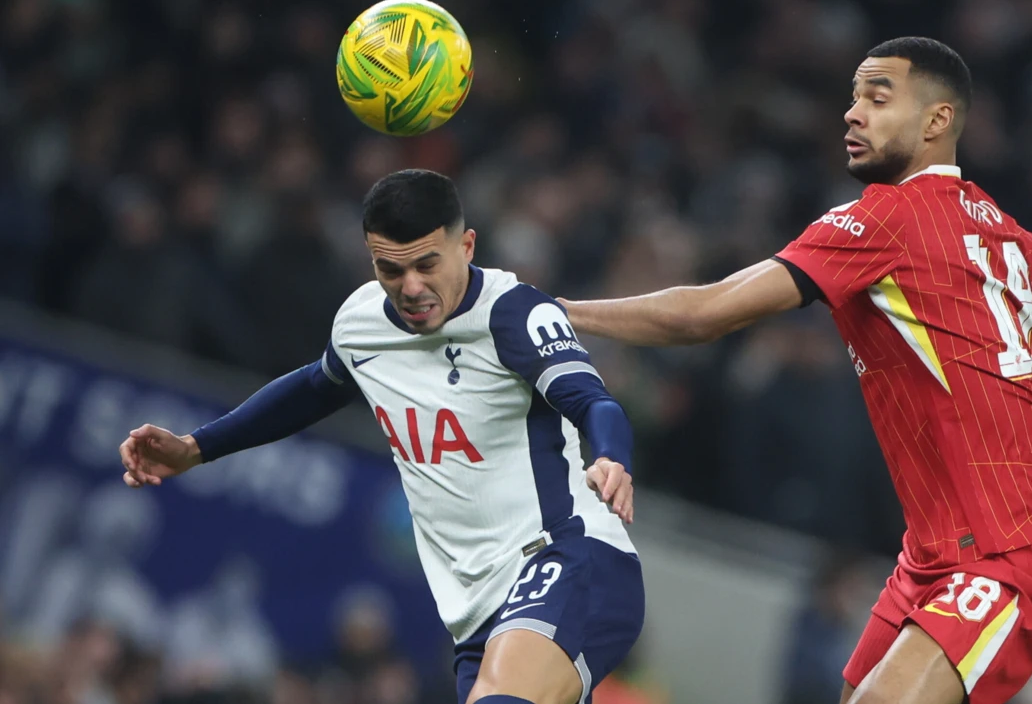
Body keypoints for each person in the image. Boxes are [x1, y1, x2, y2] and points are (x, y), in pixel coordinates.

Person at [560, 37, 1032, 704]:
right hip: (931, 558)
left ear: (936, 121)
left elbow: (704, 314)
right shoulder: (995, 226)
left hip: (1004, 554)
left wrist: (557, 310)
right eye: (854, 97)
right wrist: (1010, 376)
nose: (852, 114)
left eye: (877, 97)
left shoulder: (883, 219)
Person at [118, 169, 645, 704]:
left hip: (568, 558)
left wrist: (611, 457)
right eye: (390, 269)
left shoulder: (514, 313)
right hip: (476, 613)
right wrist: (196, 448)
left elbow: (594, 401)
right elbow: (312, 389)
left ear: (466, 246)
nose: (410, 287)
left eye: (426, 264)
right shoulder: (362, 323)